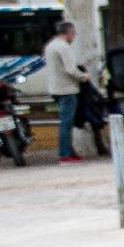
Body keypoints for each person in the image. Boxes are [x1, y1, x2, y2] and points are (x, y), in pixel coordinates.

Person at [43, 20, 92, 163]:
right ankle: (65, 153)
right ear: (69, 32)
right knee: (67, 122)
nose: (74, 37)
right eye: (73, 34)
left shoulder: (50, 46)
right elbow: (71, 69)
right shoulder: (64, 47)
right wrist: (84, 76)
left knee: (66, 121)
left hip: (55, 88)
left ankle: (69, 151)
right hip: (67, 89)